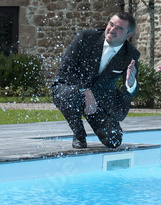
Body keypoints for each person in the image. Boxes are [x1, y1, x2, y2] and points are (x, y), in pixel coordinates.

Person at [52, 12, 140, 149]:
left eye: (119, 28)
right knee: (71, 96)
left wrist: (130, 84)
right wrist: (86, 92)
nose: (112, 30)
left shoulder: (130, 55)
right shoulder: (85, 37)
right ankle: (79, 133)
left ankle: (87, 109)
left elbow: (130, 92)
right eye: (111, 24)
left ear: (128, 36)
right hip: (70, 88)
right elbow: (65, 71)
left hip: (99, 99)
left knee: (114, 140)